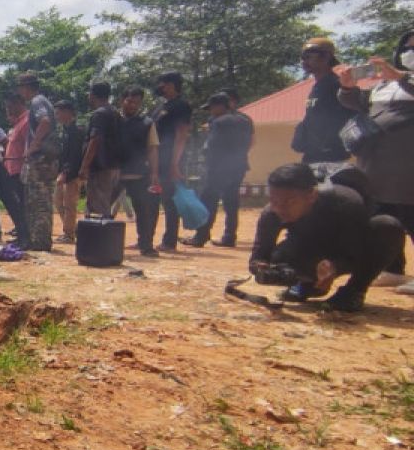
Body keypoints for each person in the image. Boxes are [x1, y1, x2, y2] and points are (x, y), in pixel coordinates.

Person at [250, 163, 405, 313]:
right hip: (309, 244)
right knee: (281, 258)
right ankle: (307, 284)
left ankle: (354, 291)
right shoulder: (271, 214)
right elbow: (258, 257)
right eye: (273, 200)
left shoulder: (346, 202)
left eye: (289, 202)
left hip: (350, 241)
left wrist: (335, 266)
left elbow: (357, 251)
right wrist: (263, 267)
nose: (279, 208)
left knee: (388, 227)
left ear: (312, 195)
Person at [336, 29, 414, 295]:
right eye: (408, 47)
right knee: (383, 216)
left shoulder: (403, 80)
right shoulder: (383, 85)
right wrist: (348, 87)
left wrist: (402, 77)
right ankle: (392, 268)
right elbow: (356, 104)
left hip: (408, 164)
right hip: (376, 163)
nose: (410, 53)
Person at [185, 92, 253, 248]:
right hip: (238, 166)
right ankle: (229, 237)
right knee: (231, 201)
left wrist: (206, 159)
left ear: (220, 106)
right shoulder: (245, 120)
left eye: (212, 108)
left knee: (208, 201)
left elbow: (212, 145)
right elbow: (250, 142)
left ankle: (201, 236)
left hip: (217, 168)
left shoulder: (218, 121)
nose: (210, 111)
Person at [292, 37, 354, 165]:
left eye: (309, 56)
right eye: (303, 57)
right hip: (313, 155)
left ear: (326, 57)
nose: (304, 61)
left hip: (331, 157)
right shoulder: (318, 85)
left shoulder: (337, 84)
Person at [117, 88, 161, 257]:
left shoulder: (147, 123)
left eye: (136, 102)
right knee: (102, 209)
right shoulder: (113, 120)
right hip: (115, 173)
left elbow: (152, 149)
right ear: (122, 101)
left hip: (139, 174)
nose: (132, 105)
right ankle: (99, 240)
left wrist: (154, 173)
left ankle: (146, 245)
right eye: (128, 101)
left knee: (145, 211)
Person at [151, 72, 193, 252]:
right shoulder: (161, 106)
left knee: (169, 200)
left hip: (170, 159)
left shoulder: (181, 106)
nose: (161, 87)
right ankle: (146, 237)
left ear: (173, 84)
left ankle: (169, 241)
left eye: (164, 83)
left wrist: (175, 163)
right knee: (152, 198)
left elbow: (182, 134)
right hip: (157, 158)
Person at [17, 73, 58, 251]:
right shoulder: (44, 101)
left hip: (41, 159)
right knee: (41, 199)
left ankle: (40, 241)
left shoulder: (37, 102)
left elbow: (45, 122)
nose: (20, 92)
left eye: (21, 87)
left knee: (39, 200)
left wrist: (33, 145)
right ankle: (39, 239)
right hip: (47, 159)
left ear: (26, 87)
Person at [79, 82, 122, 217]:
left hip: (100, 167)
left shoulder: (99, 114)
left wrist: (84, 166)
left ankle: (101, 237)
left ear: (92, 95)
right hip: (114, 165)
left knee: (98, 209)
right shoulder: (115, 112)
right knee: (105, 204)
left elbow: (95, 140)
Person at [0, 93, 31, 245]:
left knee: (21, 205)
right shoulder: (17, 123)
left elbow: (28, 145)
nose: (8, 110)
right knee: (18, 205)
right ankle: (21, 235)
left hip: (20, 170)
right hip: (12, 170)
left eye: (10, 106)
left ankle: (25, 238)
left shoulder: (26, 121)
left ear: (18, 103)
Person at [53, 100, 84, 244]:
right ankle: (72, 229)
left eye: (58, 112)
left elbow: (75, 155)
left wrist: (66, 173)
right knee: (58, 200)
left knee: (69, 203)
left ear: (67, 112)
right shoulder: (65, 130)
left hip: (73, 173)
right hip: (64, 171)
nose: (56, 115)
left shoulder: (77, 130)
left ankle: (69, 234)